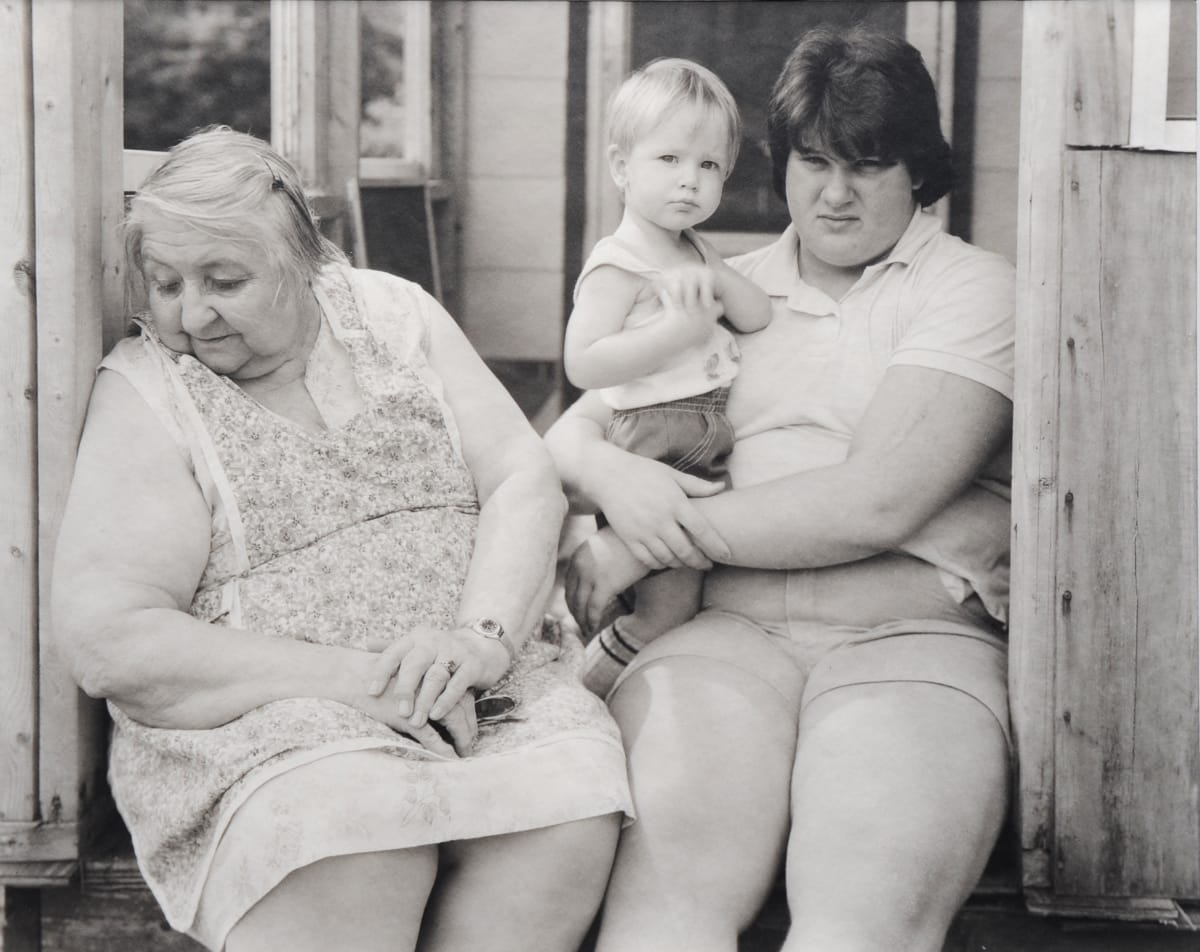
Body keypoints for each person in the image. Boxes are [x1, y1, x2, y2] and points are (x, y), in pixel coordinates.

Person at [51, 127, 631, 952]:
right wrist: (359, 684)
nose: (192, 312)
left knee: (567, 812)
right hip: (277, 728)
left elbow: (521, 477)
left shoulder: (395, 316)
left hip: (483, 691)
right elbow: (109, 637)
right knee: (358, 836)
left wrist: (483, 636)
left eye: (225, 280)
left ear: (307, 260)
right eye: (166, 282)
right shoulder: (149, 393)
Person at [546, 26, 1014, 952]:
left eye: (869, 165)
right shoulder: (718, 284)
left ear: (919, 168)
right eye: (813, 161)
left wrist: (648, 534)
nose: (834, 193)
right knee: (663, 913)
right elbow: (577, 424)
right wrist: (605, 473)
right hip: (727, 633)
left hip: (905, 640)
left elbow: (877, 500)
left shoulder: (972, 289)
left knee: (859, 923)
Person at [563, 58, 771, 697]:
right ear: (622, 167)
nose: (690, 181)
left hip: (699, 429)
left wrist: (718, 277)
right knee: (667, 607)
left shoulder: (695, 250)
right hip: (654, 439)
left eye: (708, 166)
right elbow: (584, 361)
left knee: (674, 589)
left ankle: (595, 626)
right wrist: (672, 335)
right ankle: (581, 693)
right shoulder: (617, 265)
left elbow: (757, 314)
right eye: (670, 159)